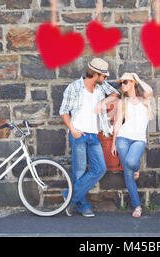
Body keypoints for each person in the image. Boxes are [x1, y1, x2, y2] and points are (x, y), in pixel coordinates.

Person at [60, 58, 120, 217]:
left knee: (100, 168)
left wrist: (104, 102)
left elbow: (116, 94)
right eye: (104, 76)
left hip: (94, 135)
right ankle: (83, 206)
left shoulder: (101, 86)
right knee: (79, 172)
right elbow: (63, 112)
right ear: (96, 74)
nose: (106, 79)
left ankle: (68, 197)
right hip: (79, 134)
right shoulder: (74, 88)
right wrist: (73, 130)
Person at [111, 72, 153, 218]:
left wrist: (138, 78)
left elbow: (149, 91)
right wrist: (113, 143)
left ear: (133, 83)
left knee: (130, 162)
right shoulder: (122, 102)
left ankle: (136, 168)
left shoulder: (144, 100)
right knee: (128, 174)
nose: (123, 85)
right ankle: (137, 207)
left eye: (126, 82)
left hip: (139, 140)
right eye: (122, 82)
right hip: (123, 137)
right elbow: (117, 122)